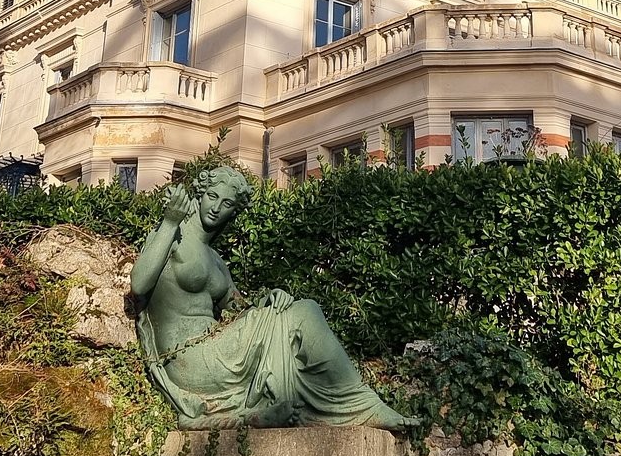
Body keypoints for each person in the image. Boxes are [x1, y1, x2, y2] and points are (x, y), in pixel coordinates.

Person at [131, 164, 412, 430]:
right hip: (187, 359)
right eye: (212, 197)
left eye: (226, 204)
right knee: (306, 312)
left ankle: (346, 406)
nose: (216, 208)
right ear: (200, 194)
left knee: (296, 311)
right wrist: (170, 222)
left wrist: (269, 299)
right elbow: (139, 284)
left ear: (233, 212)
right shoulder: (172, 235)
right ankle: (362, 406)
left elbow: (239, 309)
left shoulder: (216, 261)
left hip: (218, 350)